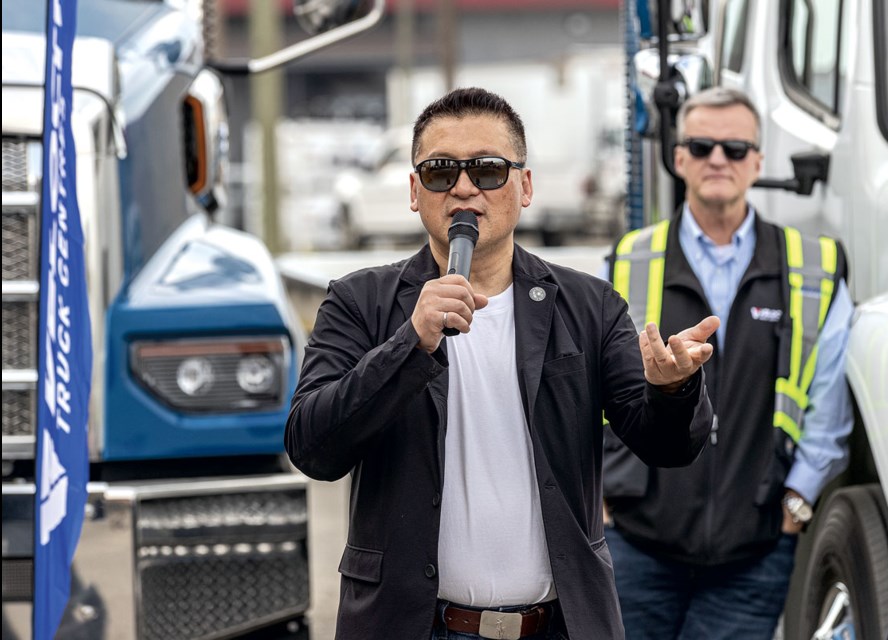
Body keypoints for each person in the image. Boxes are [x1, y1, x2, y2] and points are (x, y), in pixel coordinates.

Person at [285, 87, 720, 640]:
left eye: (488, 170)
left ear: (525, 186)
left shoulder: (587, 306)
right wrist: (408, 345)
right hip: (412, 625)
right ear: (415, 192)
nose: (464, 187)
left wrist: (673, 389)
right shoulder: (359, 302)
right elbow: (312, 445)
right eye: (441, 172)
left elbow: (666, 446)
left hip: (558, 626)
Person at [602, 86, 854, 640]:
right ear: (679, 158)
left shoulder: (814, 267)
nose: (719, 159)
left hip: (755, 551)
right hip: (637, 545)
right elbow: (583, 389)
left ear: (758, 162)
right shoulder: (627, 261)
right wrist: (598, 493)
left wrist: (798, 500)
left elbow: (830, 401)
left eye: (736, 149)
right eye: (703, 144)